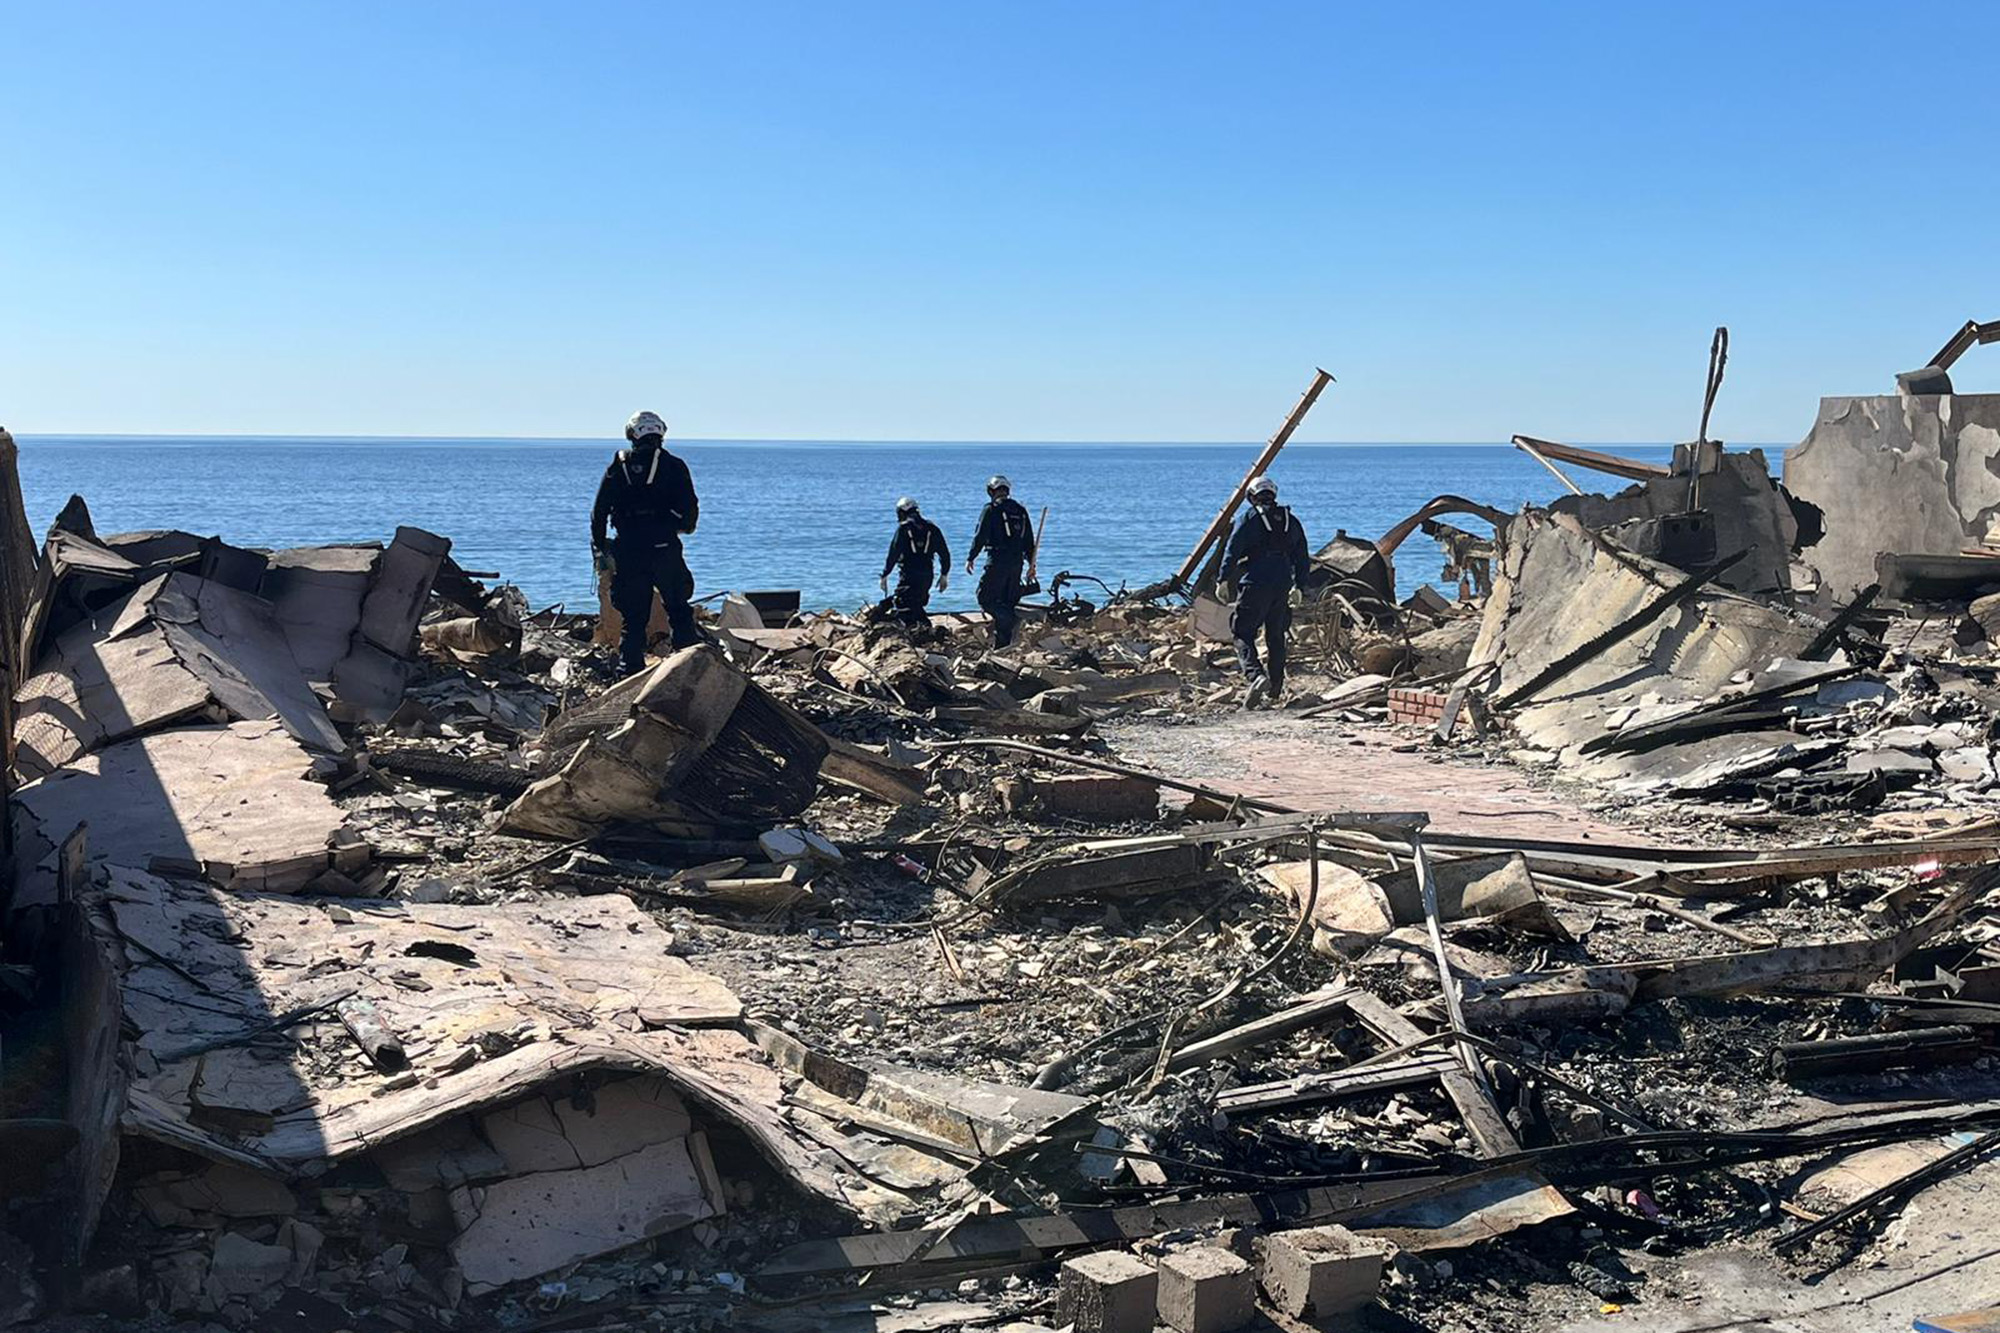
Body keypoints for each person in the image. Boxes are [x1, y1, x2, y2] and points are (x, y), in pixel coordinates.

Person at [591, 410, 701, 674]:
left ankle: (630, 671)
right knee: (678, 608)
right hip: (665, 547)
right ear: (661, 433)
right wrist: (679, 527)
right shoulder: (675, 466)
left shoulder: (618, 467)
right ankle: (689, 667)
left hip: (629, 549)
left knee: (634, 616)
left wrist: (599, 545)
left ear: (632, 434)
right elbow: (690, 509)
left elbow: (599, 511)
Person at [1221, 474, 1310, 708]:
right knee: (1276, 635)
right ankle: (1275, 688)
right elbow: (1302, 556)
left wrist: (1222, 579)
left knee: (1242, 633)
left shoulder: (1248, 519)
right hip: (1282, 584)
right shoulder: (1291, 520)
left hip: (1255, 583)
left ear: (1251, 497)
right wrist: (1300, 585)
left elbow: (1232, 549)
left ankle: (1256, 676)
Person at [965, 474, 1036, 648]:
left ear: (991, 491)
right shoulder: (1020, 510)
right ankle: (1003, 644)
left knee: (985, 598)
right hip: (1017, 563)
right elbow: (1029, 540)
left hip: (997, 560)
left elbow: (980, 535)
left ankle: (1011, 620)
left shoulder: (991, 509)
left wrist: (971, 557)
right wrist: (1031, 564)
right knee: (1007, 601)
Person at [870, 496, 951, 631]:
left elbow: (893, 553)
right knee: (916, 602)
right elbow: (945, 554)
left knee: (903, 604)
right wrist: (944, 575)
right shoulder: (932, 528)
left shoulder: (903, 529)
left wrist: (885, 574)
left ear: (901, 512)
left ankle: (924, 631)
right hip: (927, 575)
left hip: (909, 574)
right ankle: (921, 632)